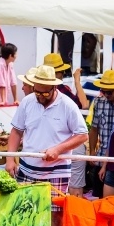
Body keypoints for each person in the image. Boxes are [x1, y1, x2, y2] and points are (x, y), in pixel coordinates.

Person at [5, 65, 88, 226]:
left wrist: (58, 149)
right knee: (24, 211)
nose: (40, 96)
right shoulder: (27, 102)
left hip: (56, 170)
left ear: (54, 88)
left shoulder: (68, 105)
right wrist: (10, 159)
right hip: (27, 167)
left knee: (55, 214)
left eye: (45, 93)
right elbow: (16, 131)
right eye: (37, 92)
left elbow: (82, 135)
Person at [43, 53, 88, 197]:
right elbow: (84, 104)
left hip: (49, 146)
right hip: (71, 142)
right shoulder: (64, 92)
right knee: (74, 186)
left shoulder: (38, 94)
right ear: (59, 73)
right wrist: (77, 82)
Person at [88, 70, 114, 197]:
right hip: (101, 157)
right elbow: (94, 129)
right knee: (100, 199)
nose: (106, 94)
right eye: (103, 91)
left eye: (109, 92)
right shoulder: (99, 102)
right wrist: (92, 151)